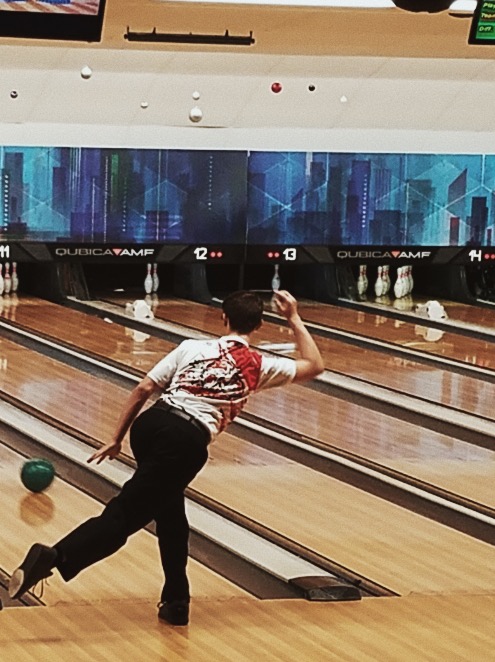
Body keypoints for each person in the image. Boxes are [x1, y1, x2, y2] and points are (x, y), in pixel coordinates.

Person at [9, 290, 324, 625]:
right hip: (185, 441)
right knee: (124, 515)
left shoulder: (192, 347)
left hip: (150, 425)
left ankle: (176, 601)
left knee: (171, 516)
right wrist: (292, 317)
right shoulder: (260, 365)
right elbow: (315, 365)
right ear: (259, 325)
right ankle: (55, 556)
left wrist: (116, 439)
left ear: (223, 319)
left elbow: (143, 389)